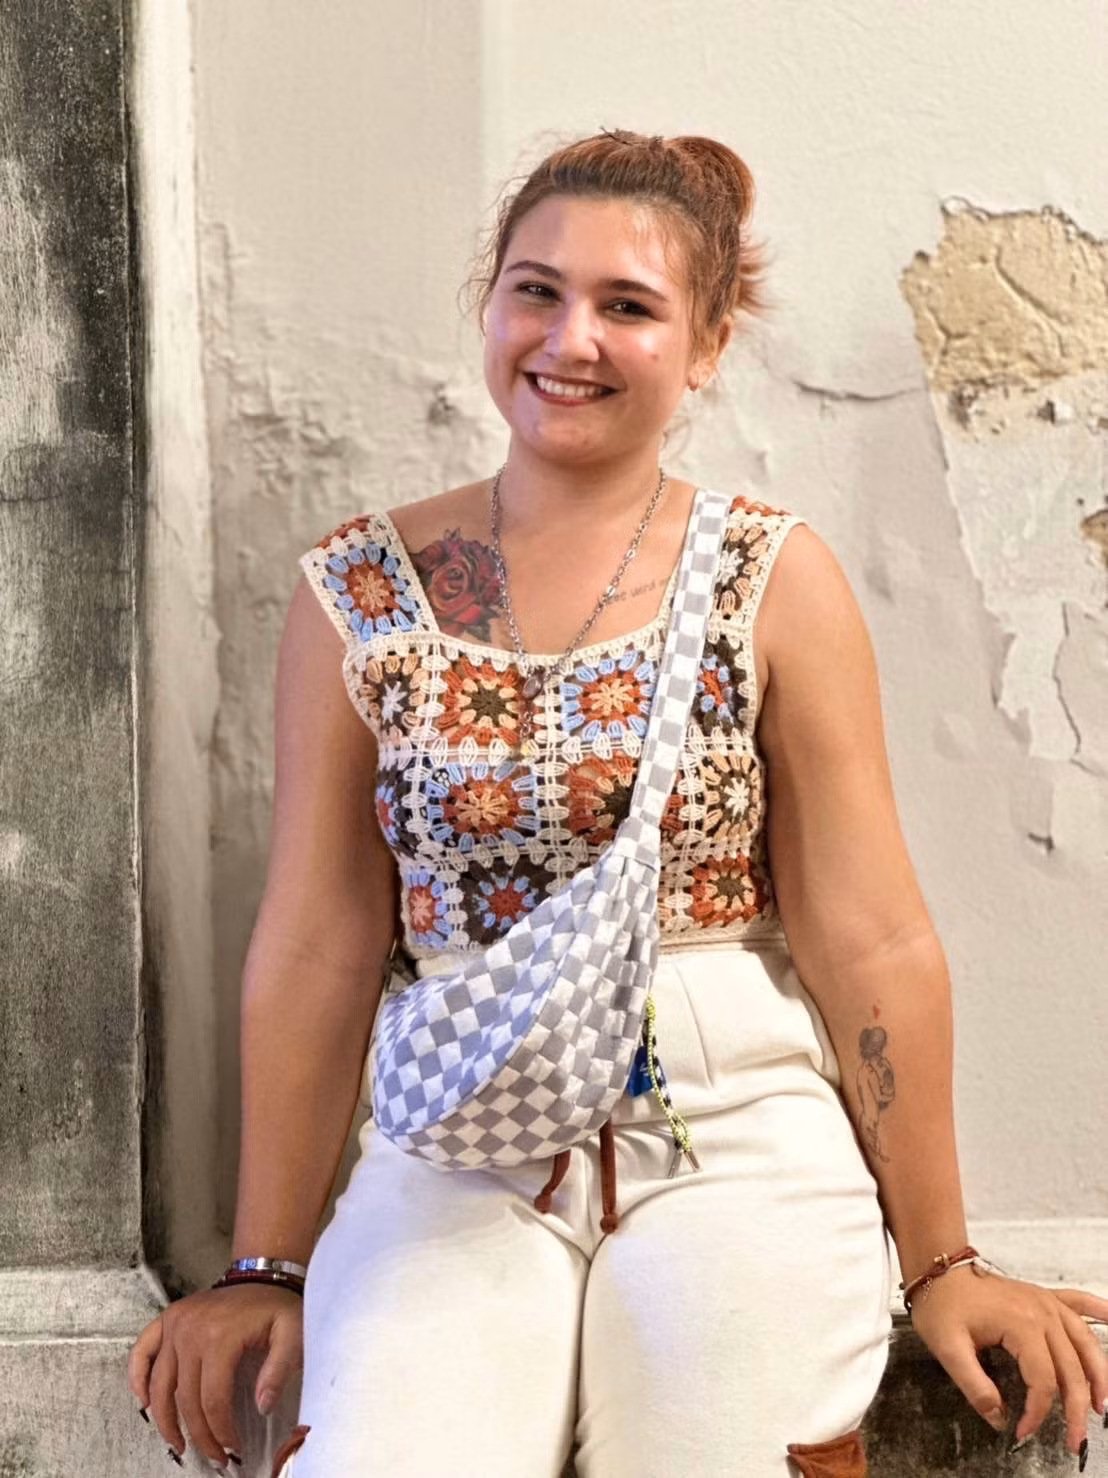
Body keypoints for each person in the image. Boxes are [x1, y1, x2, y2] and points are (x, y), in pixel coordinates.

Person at [129, 129, 1108, 1477]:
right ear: (491, 306)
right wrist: (264, 1265)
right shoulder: (359, 592)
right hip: (458, 1140)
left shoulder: (773, 578)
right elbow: (317, 940)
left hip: (734, 1132)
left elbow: (870, 933)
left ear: (705, 345)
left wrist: (943, 1257)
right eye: (535, 290)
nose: (569, 338)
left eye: (628, 306)